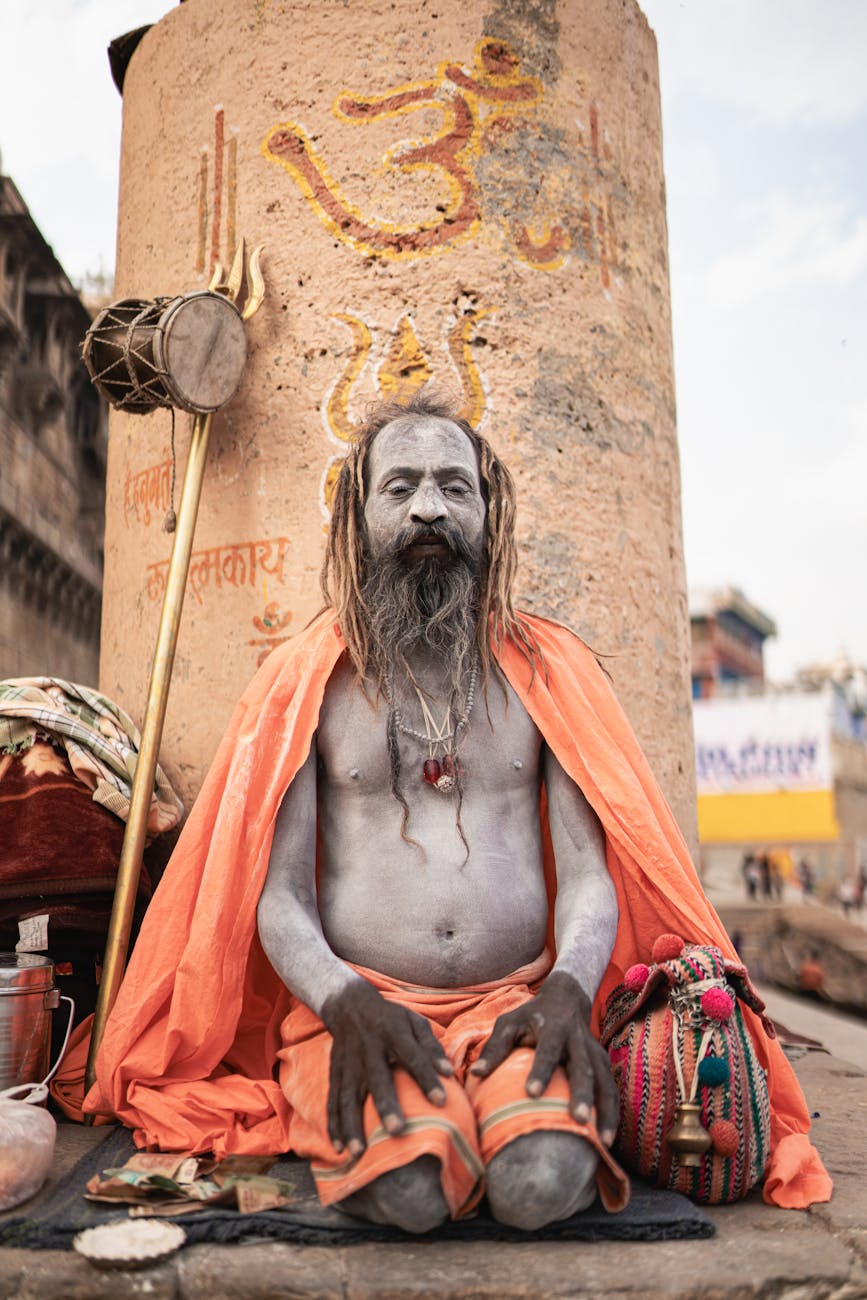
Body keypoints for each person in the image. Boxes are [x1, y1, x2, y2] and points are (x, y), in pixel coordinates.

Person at [67, 392, 830, 1220]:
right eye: (400, 487)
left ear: (486, 510)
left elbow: (586, 875)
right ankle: (421, 1114)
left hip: (518, 1006)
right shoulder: (304, 683)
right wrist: (342, 1002)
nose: (428, 506)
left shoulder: (548, 674)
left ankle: (499, 1111)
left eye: (451, 487)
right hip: (357, 1006)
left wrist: (570, 991)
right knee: (412, 1192)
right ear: (357, 517)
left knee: (537, 1187)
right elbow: (277, 895)